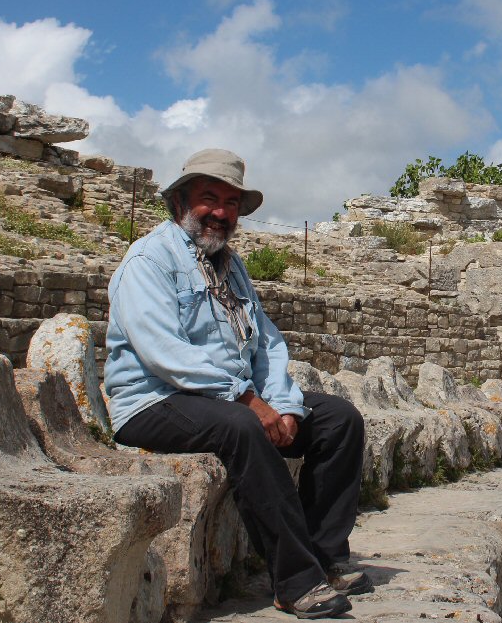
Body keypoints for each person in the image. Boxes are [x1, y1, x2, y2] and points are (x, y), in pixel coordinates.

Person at [103, 148, 369, 619]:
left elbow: (266, 344)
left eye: (231, 203)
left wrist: (284, 405)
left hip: (223, 399)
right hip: (154, 401)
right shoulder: (149, 260)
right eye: (210, 198)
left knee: (338, 420)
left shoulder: (232, 267)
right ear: (180, 201)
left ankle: (323, 557)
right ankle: (294, 581)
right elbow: (165, 354)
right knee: (242, 427)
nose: (221, 213)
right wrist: (247, 400)